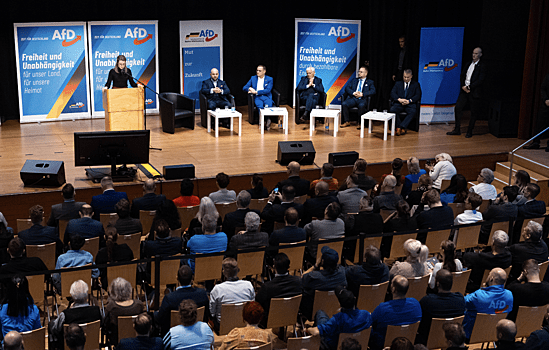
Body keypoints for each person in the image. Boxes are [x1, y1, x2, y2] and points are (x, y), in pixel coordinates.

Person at [307, 286, 372, 350]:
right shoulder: (366, 314)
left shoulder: (338, 319)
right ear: (355, 298)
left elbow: (316, 332)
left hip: (335, 346)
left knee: (320, 313)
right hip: (355, 345)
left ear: (340, 304)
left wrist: (307, 329)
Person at [155, 265, 209, 336]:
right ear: (192, 278)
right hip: (197, 332)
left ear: (177, 278)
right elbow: (206, 316)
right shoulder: (202, 294)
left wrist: (155, 314)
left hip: (174, 335)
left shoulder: (169, 298)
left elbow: (160, 319)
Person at [370, 275, 422, 349]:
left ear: (393, 289)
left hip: (383, 345)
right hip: (408, 344)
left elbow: (371, 323)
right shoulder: (416, 303)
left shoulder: (382, 308)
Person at [417, 270, 465, 345]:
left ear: (437, 284)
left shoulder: (427, 301)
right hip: (453, 340)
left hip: (428, 340)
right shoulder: (460, 299)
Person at [462, 268, 513, 339]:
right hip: (495, 334)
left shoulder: (479, 295)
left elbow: (462, 301)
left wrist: (482, 289)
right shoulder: (509, 295)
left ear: (491, 278)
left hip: (471, 334)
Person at [447, 47, 486, 138]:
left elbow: (481, 80)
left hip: (474, 92)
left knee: (473, 112)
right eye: (473, 53)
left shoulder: (482, 66)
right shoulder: (468, 64)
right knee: (458, 108)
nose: (474, 55)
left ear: (480, 55)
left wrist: (469, 87)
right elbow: (462, 75)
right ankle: (457, 129)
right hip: (464, 90)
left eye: (476, 53)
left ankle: (469, 131)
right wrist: (463, 86)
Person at [255, 253, 302, 326]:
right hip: (293, 316)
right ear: (289, 267)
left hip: (271, 320)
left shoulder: (267, 287)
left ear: (274, 267)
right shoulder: (299, 281)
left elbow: (257, 302)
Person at [50, 280, 102, 347]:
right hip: (93, 346)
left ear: (72, 296)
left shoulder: (65, 315)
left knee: (51, 325)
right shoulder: (97, 311)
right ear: (87, 294)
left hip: (70, 347)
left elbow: (56, 329)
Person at [301, 246, 347, 320]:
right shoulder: (342, 273)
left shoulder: (314, 277)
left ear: (322, 261)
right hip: (335, 311)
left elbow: (302, 277)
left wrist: (315, 266)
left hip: (313, 312)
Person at [209, 258, 255, 329]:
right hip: (245, 323)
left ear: (223, 272)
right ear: (238, 270)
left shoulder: (217, 289)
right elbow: (252, 305)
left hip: (223, 326)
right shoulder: (248, 285)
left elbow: (212, 312)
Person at [104, 277, 144, 345]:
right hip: (137, 339)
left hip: (117, 341)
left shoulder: (111, 307)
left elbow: (105, 327)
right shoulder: (139, 305)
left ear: (112, 292)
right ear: (129, 289)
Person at [390, 69, 422, 135]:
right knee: (392, 110)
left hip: (409, 104)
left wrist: (409, 101)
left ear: (411, 76)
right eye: (404, 77)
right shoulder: (398, 83)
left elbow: (418, 95)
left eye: (408, 77)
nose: (406, 79)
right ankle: (401, 127)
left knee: (413, 111)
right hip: (399, 103)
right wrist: (399, 99)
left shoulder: (416, 84)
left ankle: (400, 127)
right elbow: (392, 93)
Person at [524, 73, 549, 150]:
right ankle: (535, 142)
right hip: (546, 104)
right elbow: (543, 88)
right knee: (540, 123)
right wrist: (546, 99)